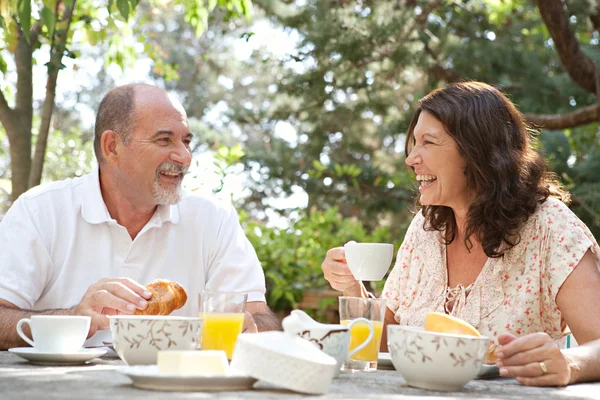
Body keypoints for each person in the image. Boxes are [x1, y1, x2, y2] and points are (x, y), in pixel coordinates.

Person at [322, 82, 600, 387]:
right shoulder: (427, 228)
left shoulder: (551, 229)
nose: (411, 158)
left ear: (477, 151)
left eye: (428, 142)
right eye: (414, 143)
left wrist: (569, 363)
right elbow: (387, 344)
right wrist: (353, 289)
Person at [0, 83, 281, 350]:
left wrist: (251, 328)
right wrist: (74, 319)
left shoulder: (214, 220)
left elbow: (262, 317)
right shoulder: (40, 211)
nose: (184, 156)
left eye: (186, 141)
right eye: (164, 140)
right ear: (112, 147)